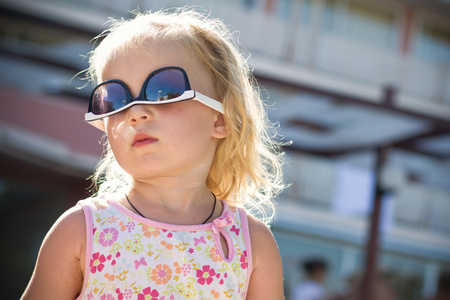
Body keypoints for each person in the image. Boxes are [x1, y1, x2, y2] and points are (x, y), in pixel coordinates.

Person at [21, 8, 287, 300]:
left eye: (165, 91)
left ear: (221, 119)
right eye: (115, 99)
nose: (135, 113)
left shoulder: (252, 243)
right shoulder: (81, 231)